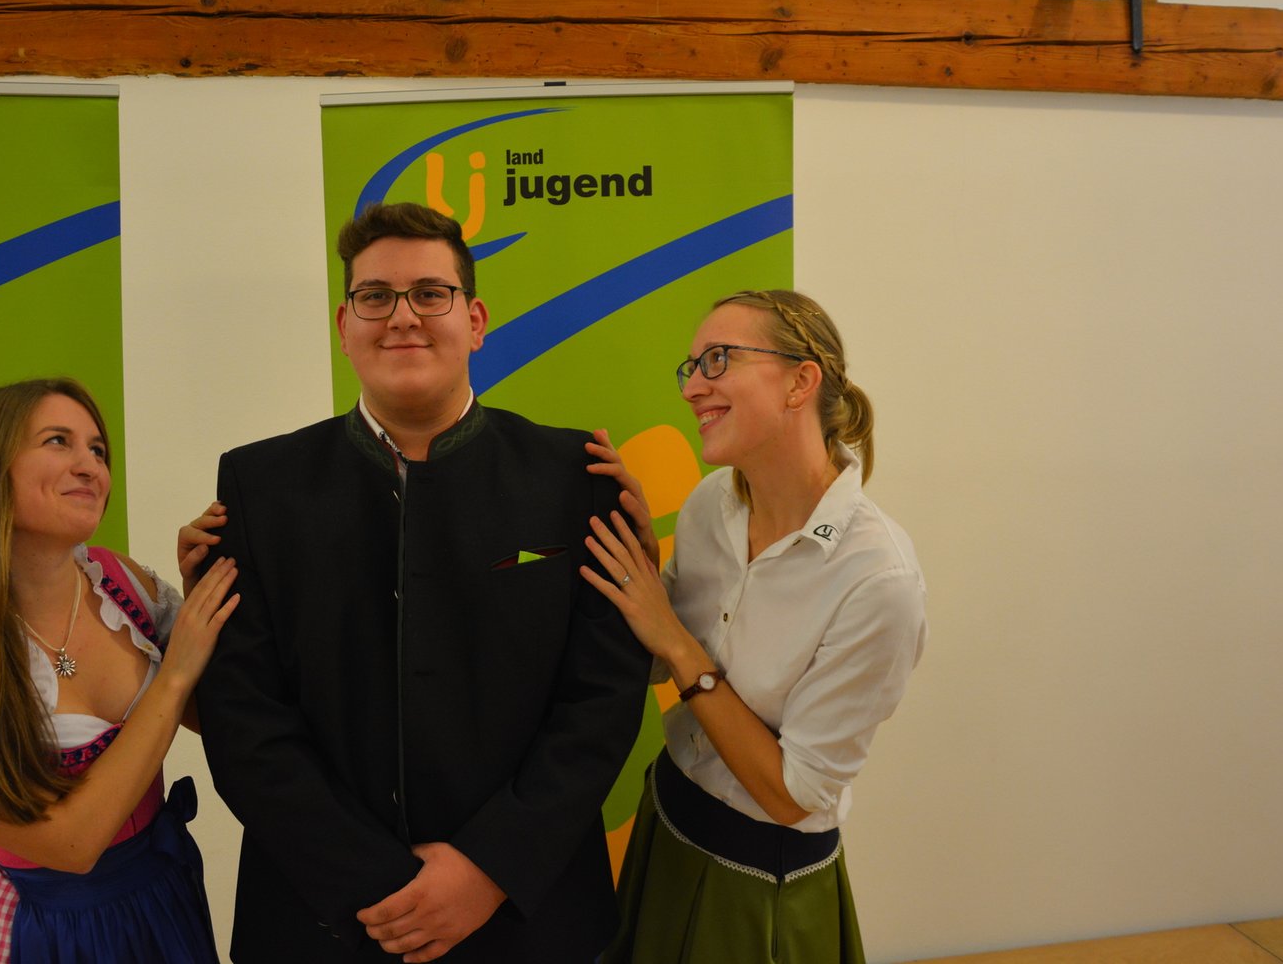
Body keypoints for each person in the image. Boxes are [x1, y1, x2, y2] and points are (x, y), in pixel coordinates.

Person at [183, 201, 651, 963]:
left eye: (431, 293)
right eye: (375, 296)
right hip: (323, 919)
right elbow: (244, 716)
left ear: (476, 320)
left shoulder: (577, 476)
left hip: (527, 915)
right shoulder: (258, 486)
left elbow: (601, 700)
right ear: (345, 325)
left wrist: (487, 869)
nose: (403, 317)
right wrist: (376, 885)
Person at [580, 289, 928, 963]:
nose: (693, 388)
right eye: (691, 368)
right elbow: (658, 660)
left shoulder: (879, 582)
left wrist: (674, 637)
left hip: (761, 883)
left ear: (801, 381)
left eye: (718, 359)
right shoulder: (711, 503)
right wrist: (638, 563)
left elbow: (792, 795)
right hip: (667, 820)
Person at [0, 377, 240, 964]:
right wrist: (174, 673)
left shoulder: (122, 583)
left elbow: (212, 719)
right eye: (58, 441)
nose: (90, 466)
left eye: (98, 449)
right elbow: (72, 847)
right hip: (40, 930)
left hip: (161, 898)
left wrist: (203, 598)